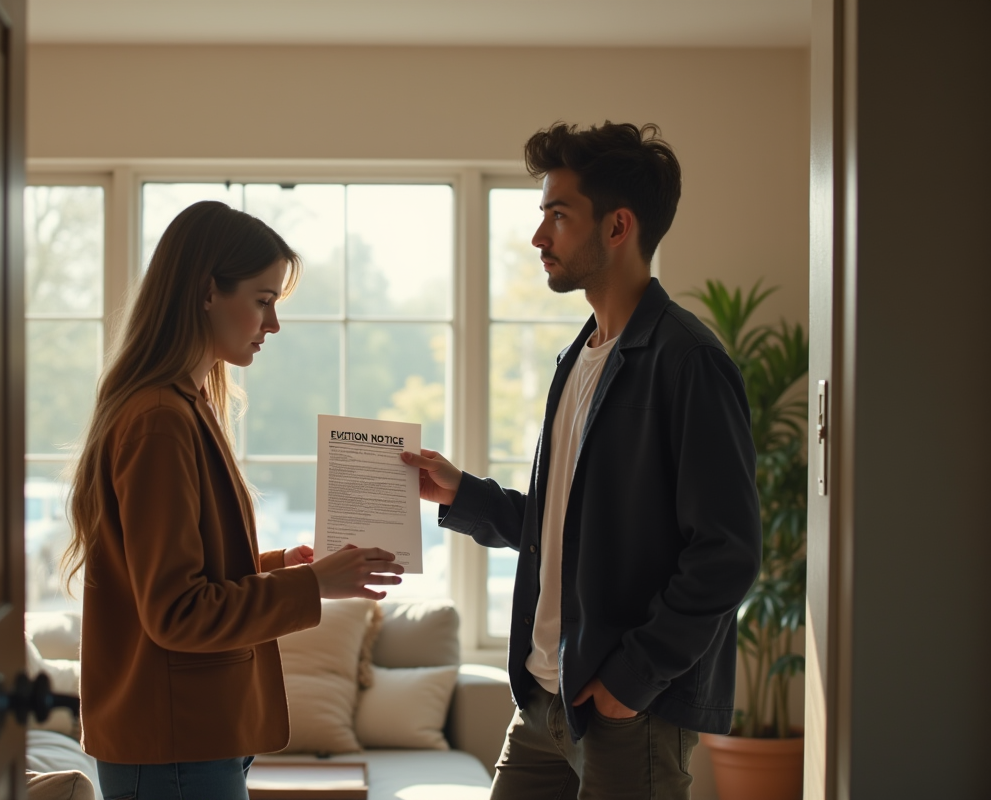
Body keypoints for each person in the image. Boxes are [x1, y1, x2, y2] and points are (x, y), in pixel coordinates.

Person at [401, 122, 762, 799]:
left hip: (626, 710)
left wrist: (633, 677)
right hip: (545, 698)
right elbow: (564, 531)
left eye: (558, 216)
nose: (539, 237)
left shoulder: (689, 361)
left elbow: (727, 553)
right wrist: (462, 494)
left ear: (618, 226)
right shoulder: (579, 356)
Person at [63, 200, 404, 800]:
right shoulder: (161, 420)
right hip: (175, 746)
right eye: (263, 300)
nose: (273, 324)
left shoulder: (185, 406)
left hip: (189, 739)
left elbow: (176, 577)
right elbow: (177, 612)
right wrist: (312, 584)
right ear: (206, 292)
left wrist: (281, 567)